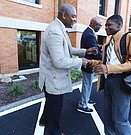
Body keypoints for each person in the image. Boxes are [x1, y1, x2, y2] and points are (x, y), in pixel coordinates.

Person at [38, 4, 97, 135]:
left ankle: (43, 120)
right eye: (73, 16)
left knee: (50, 103)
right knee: (55, 108)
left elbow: (69, 50)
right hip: (53, 79)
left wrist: (85, 51)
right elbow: (59, 61)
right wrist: (81, 61)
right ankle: (53, 132)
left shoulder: (60, 28)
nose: (75, 20)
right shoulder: (55, 31)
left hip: (52, 78)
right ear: (64, 15)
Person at [91, 15, 131, 135]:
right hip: (108, 82)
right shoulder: (109, 43)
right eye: (105, 26)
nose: (106, 28)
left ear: (119, 25)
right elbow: (106, 63)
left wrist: (108, 68)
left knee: (120, 119)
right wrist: (91, 63)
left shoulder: (130, 37)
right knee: (107, 116)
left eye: (109, 25)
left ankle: (129, 132)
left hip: (121, 83)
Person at [77, 18, 102, 113]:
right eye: (100, 25)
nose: (100, 27)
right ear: (94, 24)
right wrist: (104, 57)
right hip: (88, 63)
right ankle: (82, 104)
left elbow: (93, 47)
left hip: (87, 63)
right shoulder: (90, 35)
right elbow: (95, 53)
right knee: (87, 84)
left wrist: (98, 46)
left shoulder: (87, 32)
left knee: (88, 83)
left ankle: (86, 99)